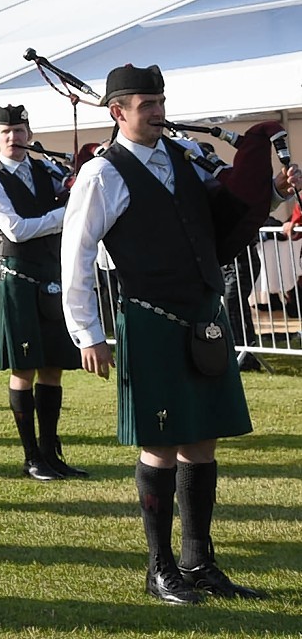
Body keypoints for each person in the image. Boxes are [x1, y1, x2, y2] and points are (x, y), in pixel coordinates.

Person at [62, 64, 299, 605]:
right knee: (161, 445)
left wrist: (271, 192)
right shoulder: (104, 174)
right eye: (147, 104)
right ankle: (160, 568)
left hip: (202, 319)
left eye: (161, 101)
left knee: (202, 438)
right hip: (149, 321)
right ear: (117, 111)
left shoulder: (183, 158)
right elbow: (74, 254)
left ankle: (200, 561)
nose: (158, 111)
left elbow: (218, 220)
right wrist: (87, 333)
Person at [0, 105, 85, 481]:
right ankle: (31, 456)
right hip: (18, 278)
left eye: (19, 129)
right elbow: (15, 229)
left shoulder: (45, 169)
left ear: (28, 132)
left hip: (50, 273)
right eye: (5, 131)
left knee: (53, 366)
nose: (13, 137)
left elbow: (75, 191)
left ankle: (52, 452)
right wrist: (64, 216)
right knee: (24, 368)